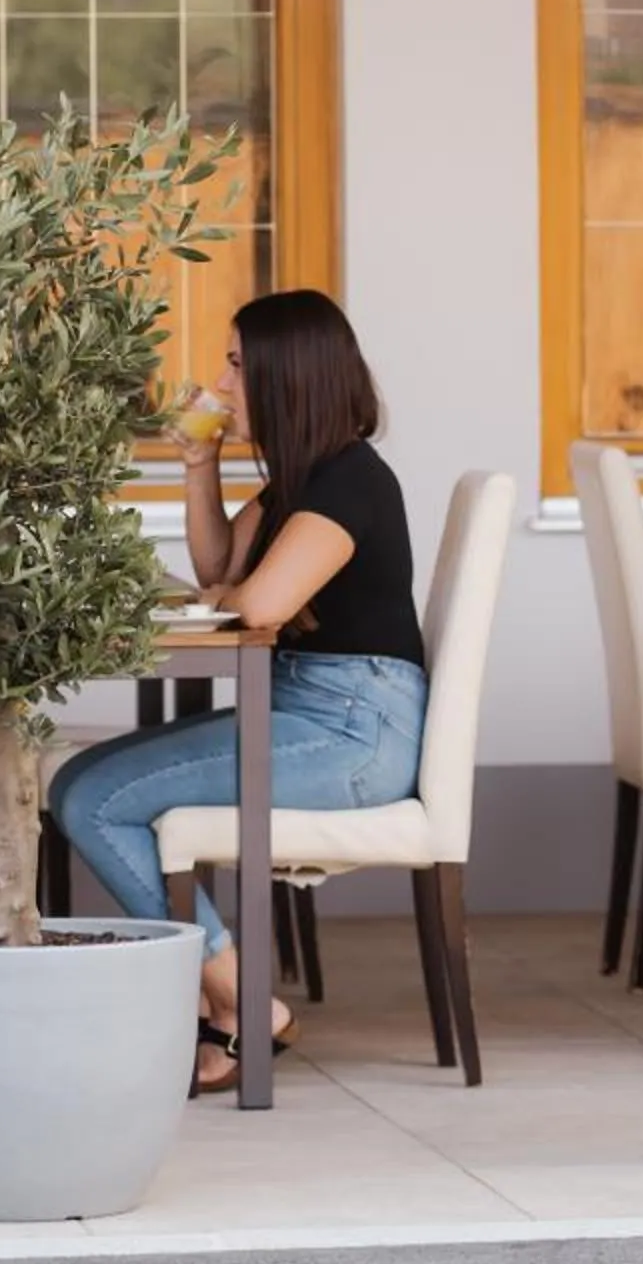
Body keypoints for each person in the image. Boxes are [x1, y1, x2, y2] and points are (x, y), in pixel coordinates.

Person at [48, 289, 426, 1096]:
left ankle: (242, 1000)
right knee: (82, 784)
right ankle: (226, 998)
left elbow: (256, 606)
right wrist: (200, 465)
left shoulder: (349, 483)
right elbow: (220, 571)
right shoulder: (300, 482)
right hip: (309, 714)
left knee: (92, 797)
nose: (220, 384)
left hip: (354, 737)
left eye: (235, 367)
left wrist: (226, 596)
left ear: (286, 378)